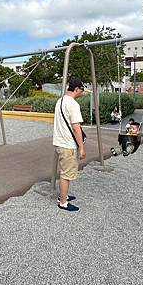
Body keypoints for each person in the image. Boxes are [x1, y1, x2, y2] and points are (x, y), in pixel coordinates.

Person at [53, 78, 86, 212]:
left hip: (59, 142)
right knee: (66, 174)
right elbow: (76, 128)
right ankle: (63, 202)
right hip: (67, 144)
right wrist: (82, 148)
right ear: (77, 89)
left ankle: (63, 195)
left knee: (64, 172)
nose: (81, 94)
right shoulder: (73, 104)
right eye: (81, 91)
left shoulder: (60, 101)